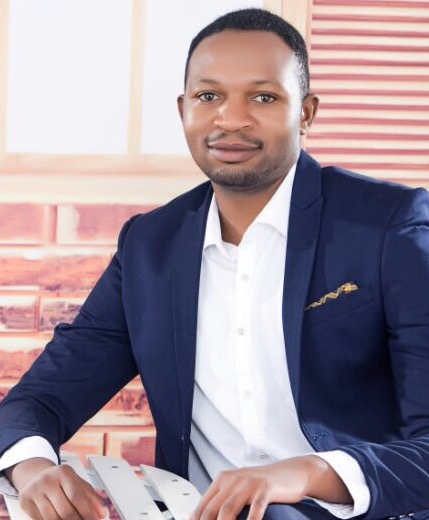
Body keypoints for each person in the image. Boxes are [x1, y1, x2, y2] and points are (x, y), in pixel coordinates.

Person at [0, 7, 429, 520]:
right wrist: (33, 469)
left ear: (306, 113)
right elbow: (40, 399)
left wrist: (307, 473)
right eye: (209, 97)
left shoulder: (387, 227)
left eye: (263, 97)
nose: (231, 119)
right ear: (183, 109)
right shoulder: (150, 247)